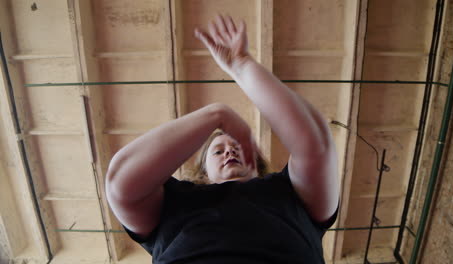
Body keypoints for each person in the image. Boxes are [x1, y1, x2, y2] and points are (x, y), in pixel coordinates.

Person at [105, 15, 339, 264]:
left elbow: (316, 147)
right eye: (217, 151)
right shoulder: (173, 203)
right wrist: (217, 114)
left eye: (237, 146)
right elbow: (121, 182)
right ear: (203, 171)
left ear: (257, 163)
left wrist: (243, 65)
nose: (229, 152)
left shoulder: (291, 193)